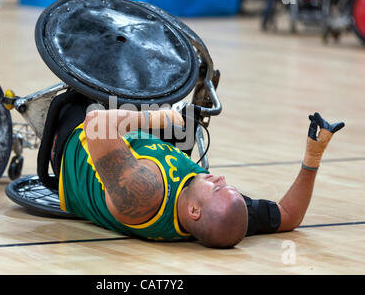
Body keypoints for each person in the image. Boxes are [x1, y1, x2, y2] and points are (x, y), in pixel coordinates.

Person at [51, 99, 344, 248]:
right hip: (141, 145)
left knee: (105, 79)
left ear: (193, 211)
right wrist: (313, 157)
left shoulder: (143, 193)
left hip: (73, 141)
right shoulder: (223, 215)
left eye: (217, 188)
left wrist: (157, 117)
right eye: (225, 187)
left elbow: (96, 124)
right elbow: (288, 215)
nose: (221, 180)